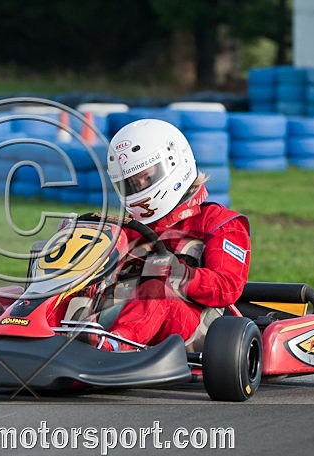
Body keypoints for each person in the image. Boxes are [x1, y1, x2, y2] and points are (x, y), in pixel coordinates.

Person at [98, 118, 251, 351]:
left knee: (157, 287)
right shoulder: (131, 227)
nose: (139, 187)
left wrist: (180, 273)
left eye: (147, 177)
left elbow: (227, 287)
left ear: (174, 163)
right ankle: (48, 335)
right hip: (128, 308)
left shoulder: (219, 223)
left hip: (197, 327)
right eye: (131, 184)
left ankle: (111, 347)